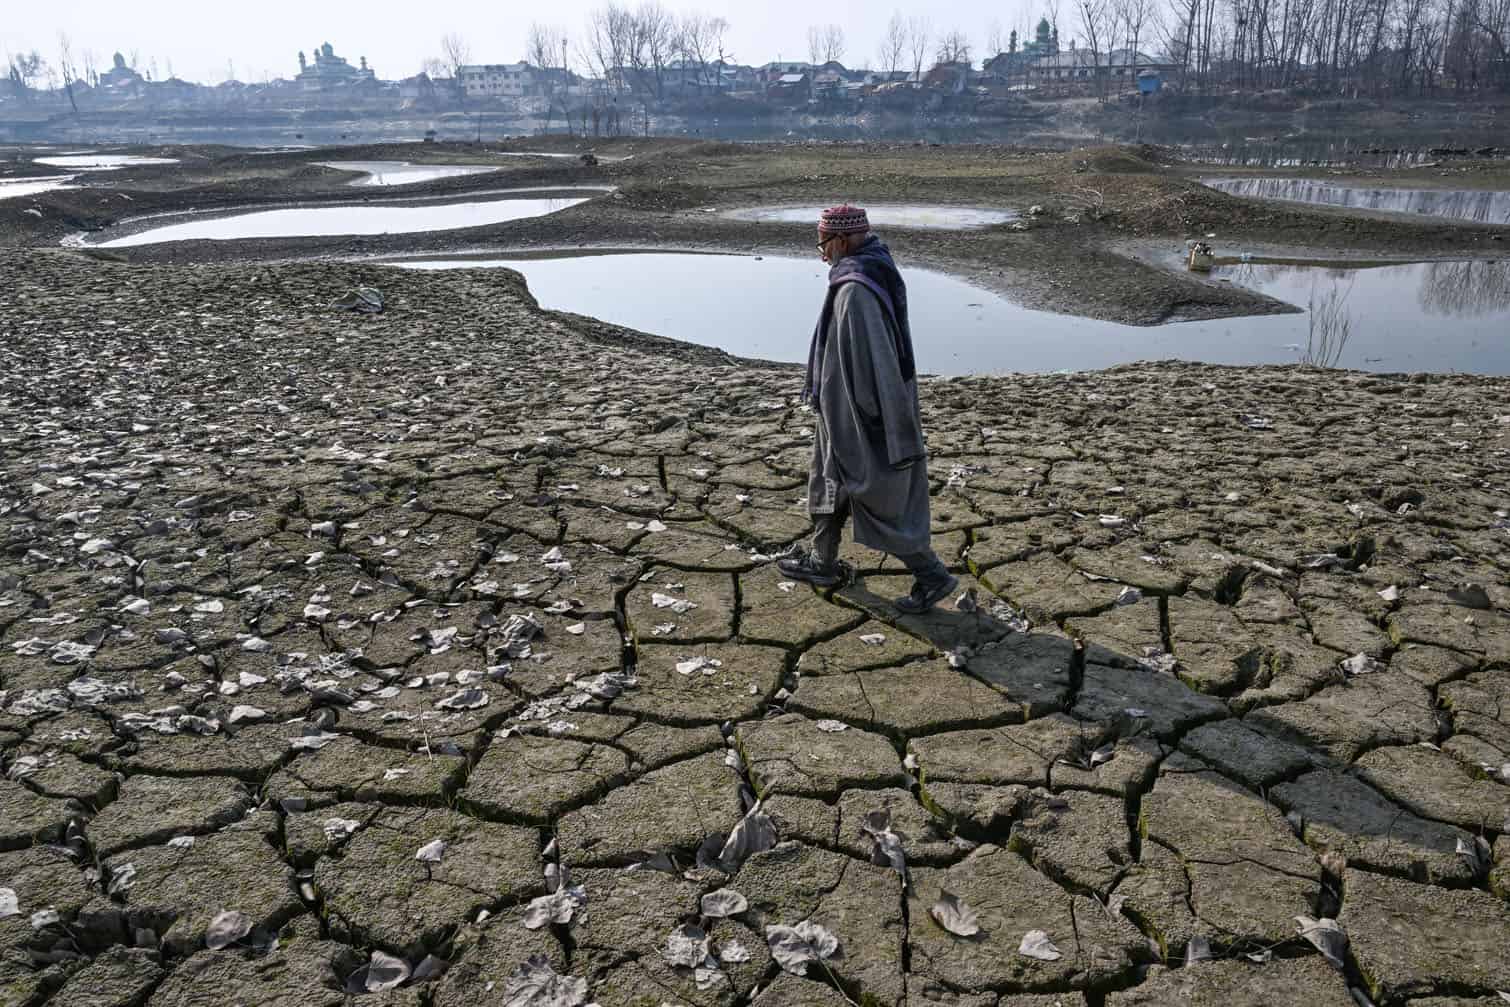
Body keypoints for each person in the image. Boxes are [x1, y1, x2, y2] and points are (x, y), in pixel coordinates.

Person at [777, 204, 958, 614]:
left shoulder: (855, 290)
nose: (821, 252)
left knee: (877, 495)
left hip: (860, 418)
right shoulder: (871, 269)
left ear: (841, 241)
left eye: (823, 243)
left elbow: (874, 359)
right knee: (829, 484)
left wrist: (872, 423)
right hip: (843, 411)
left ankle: (932, 575)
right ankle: (822, 562)